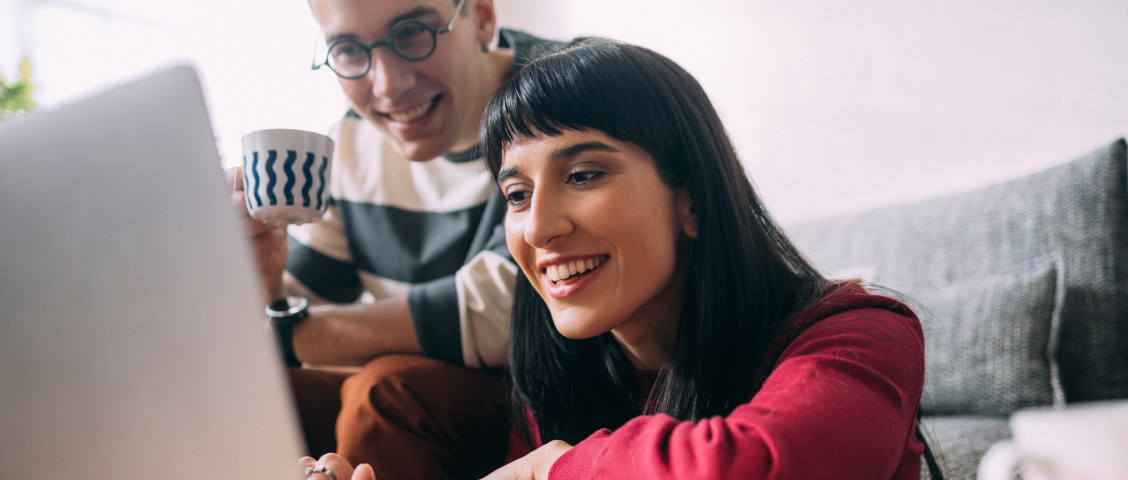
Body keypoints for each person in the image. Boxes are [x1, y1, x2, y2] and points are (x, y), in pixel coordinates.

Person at [299, 38, 927, 480]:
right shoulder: (559, 377)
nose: (539, 227)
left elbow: (757, 465)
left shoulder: (863, 334)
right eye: (516, 194)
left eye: (584, 173)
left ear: (693, 200)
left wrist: (556, 467)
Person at [226, 0, 566, 478]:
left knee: (383, 394)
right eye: (347, 50)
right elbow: (302, 313)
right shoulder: (349, 142)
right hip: (424, 389)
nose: (386, 85)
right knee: (259, 393)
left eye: (411, 33)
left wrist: (286, 333)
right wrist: (267, 281)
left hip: (537, 392)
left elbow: (496, 316)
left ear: (482, 17)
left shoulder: (557, 95)